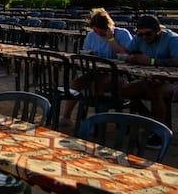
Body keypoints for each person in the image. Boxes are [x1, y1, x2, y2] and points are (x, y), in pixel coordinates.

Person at [61, 8, 133, 124]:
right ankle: (66, 116)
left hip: (117, 74)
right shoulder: (91, 35)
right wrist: (89, 53)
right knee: (76, 83)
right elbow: (84, 51)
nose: (98, 34)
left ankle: (98, 120)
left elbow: (124, 55)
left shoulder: (123, 34)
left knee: (98, 84)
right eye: (96, 31)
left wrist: (110, 38)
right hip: (96, 71)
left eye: (101, 32)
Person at [121, 14, 178, 144]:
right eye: (140, 34)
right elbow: (128, 52)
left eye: (148, 34)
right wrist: (131, 57)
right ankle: (151, 120)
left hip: (173, 82)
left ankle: (159, 133)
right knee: (123, 90)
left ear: (158, 30)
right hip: (150, 79)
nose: (144, 37)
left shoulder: (173, 40)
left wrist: (152, 61)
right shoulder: (139, 38)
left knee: (156, 91)